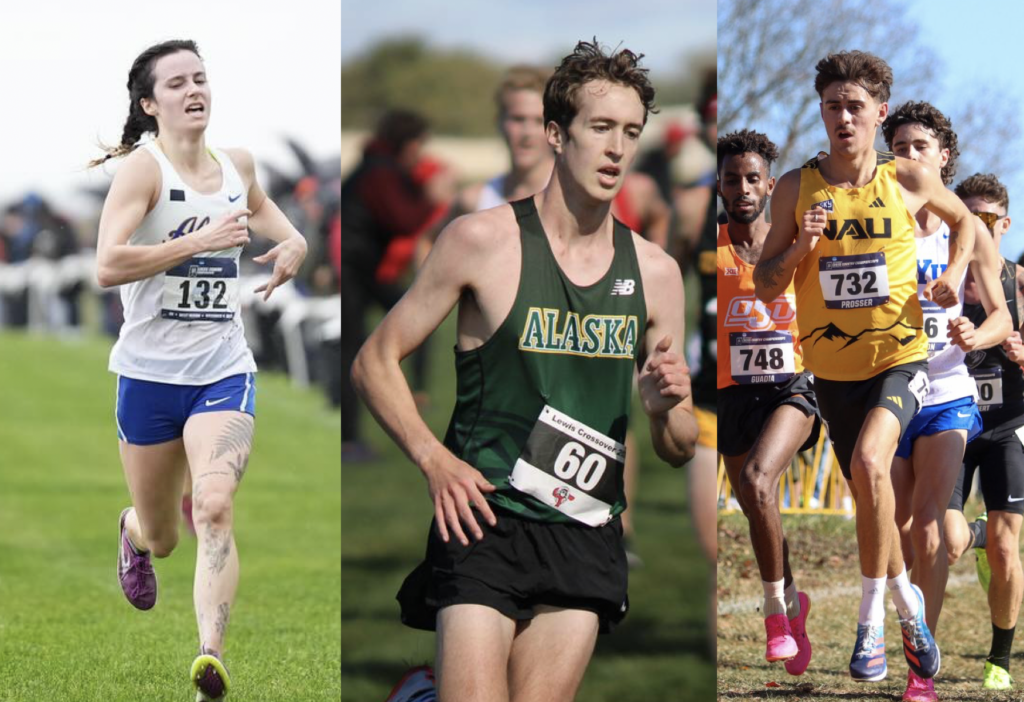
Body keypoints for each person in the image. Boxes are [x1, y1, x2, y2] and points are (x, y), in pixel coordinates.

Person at [354, 39, 697, 702]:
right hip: (484, 518)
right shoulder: (480, 240)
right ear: (555, 134)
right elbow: (375, 360)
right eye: (600, 127)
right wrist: (434, 460)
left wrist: (664, 412)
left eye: (631, 132)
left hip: (586, 529)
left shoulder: (656, 273)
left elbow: (679, 445)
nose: (617, 149)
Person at [753, 50, 980, 686]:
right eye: (833, 106)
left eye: (856, 106)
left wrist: (955, 273)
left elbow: (965, 222)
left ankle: (869, 623)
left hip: (900, 359)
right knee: (869, 496)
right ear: (822, 112)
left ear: (879, 113)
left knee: (871, 463)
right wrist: (802, 245)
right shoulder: (795, 188)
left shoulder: (906, 177)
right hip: (832, 371)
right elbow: (767, 284)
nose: (844, 117)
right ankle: (907, 604)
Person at [91, 39, 307, 702]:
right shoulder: (143, 172)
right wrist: (199, 241)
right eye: (177, 83)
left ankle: (209, 657)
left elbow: (270, 217)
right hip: (149, 377)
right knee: (163, 536)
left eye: (201, 78)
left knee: (213, 506)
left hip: (223, 370)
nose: (194, 91)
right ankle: (134, 531)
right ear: (149, 104)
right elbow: (107, 265)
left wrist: (294, 243)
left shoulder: (237, 165)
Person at [881, 102, 1010, 702]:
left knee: (931, 528)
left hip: (948, 393)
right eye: (900, 147)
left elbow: (1000, 314)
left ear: (943, 156)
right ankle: (898, 618)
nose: (909, 156)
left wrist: (974, 336)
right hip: (887, 388)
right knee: (897, 529)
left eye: (920, 147)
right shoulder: (879, 219)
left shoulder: (970, 230)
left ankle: (919, 671)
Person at [717, 129, 821, 675]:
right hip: (731, 396)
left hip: (792, 388)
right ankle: (795, 602)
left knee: (759, 481)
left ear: (770, 184)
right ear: (719, 185)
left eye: (752, 178)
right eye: (732, 179)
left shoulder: (794, 244)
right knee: (760, 509)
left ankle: (775, 615)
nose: (743, 188)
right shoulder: (709, 248)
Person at [944, 173, 1024, 692]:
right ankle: (975, 536)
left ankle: (1000, 659)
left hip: (1008, 426)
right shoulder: (942, 278)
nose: (976, 225)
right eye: (967, 215)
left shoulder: (1019, 284)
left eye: (987, 218)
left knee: (1006, 548)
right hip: (953, 423)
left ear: (1005, 223)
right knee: (949, 542)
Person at [340, 109, 453, 462]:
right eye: (419, 145)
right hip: (354, 272)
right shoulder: (380, 171)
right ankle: (348, 441)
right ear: (409, 144)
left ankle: (414, 392)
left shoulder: (378, 167)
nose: (421, 153)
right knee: (353, 350)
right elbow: (402, 219)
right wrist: (432, 198)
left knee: (417, 321)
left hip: (364, 271)